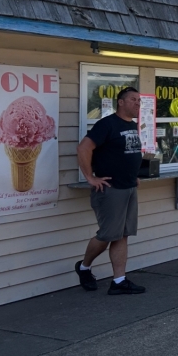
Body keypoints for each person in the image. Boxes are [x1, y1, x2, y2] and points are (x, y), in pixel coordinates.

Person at [75, 86, 146, 295]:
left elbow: (125, 153)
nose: (137, 104)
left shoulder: (132, 126)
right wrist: (90, 177)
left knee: (122, 235)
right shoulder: (106, 124)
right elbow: (83, 148)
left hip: (129, 187)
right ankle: (84, 267)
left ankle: (119, 281)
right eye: (133, 100)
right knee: (107, 235)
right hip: (110, 189)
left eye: (139, 101)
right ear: (121, 102)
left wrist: (133, 175)